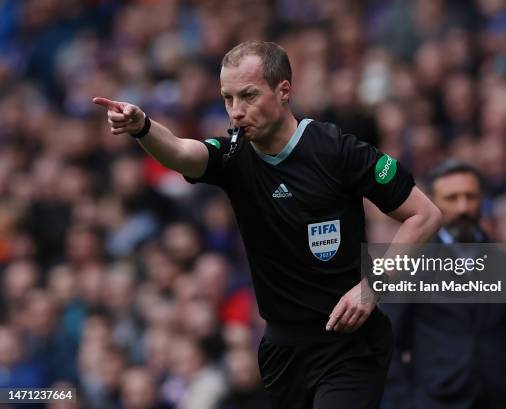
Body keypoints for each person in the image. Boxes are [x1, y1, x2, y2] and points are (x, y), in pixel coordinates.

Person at [93, 41, 442, 409]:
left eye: (248, 96)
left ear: (284, 91)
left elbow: (424, 215)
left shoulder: (336, 150)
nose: (236, 112)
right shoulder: (233, 155)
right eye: (228, 99)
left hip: (349, 344)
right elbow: (182, 152)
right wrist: (143, 127)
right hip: (282, 350)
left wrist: (371, 287)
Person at [394, 160, 506, 409]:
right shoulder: (410, 264)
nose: (463, 207)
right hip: (435, 399)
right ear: (434, 203)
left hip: (500, 398)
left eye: (471, 196)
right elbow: (390, 343)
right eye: (452, 198)